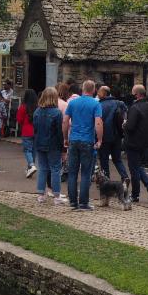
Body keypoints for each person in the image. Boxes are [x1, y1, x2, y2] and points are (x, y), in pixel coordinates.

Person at [63, 79, 103, 210]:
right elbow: (98, 123)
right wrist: (99, 139)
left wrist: (65, 138)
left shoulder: (73, 103)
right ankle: (83, 203)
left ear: (83, 89)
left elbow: (65, 121)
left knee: (73, 172)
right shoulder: (96, 104)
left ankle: (73, 202)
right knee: (86, 173)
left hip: (74, 139)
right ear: (94, 90)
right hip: (87, 140)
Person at [123, 84, 148, 202]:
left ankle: (135, 195)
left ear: (137, 94)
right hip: (145, 142)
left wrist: (125, 125)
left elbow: (131, 126)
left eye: (133, 93)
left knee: (134, 170)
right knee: (138, 166)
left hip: (133, 142)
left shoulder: (135, 107)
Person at [32, 87, 65, 204]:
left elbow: (35, 129)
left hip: (40, 143)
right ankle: (56, 196)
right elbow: (59, 133)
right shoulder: (57, 113)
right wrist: (63, 147)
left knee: (42, 169)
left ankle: (41, 195)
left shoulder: (37, 112)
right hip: (53, 145)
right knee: (55, 169)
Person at [97, 85, 128, 182]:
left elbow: (98, 122)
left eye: (99, 92)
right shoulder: (119, 103)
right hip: (117, 136)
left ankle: (106, 180)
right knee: (117, 159)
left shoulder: (99, 105)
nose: (97, 94)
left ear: (103, 93)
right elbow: (125, 117)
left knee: (104, 159)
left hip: (104, 136)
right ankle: (125, 176)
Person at [17, 87, 38, 179]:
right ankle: (30, 168)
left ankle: (31, 165)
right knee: (33, 150)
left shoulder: (23, 107)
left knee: (27, 150)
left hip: (26, 131)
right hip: (36, 131)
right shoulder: (38, 107)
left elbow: (19, 119)